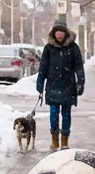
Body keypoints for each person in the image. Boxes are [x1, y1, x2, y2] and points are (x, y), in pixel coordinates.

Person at [35, 21, 85, 150]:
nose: (59, 34)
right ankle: (54, 139)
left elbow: (79, 67)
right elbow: (43, 67)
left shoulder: (73, 48)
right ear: (53, 33)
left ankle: (64, 140)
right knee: (53, 112)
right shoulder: (48, 48)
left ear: (65, 33)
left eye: (61, 31)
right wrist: (40, 84)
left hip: (68, 85)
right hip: (53, 84)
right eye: (57, 31)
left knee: (66, 113)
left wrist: (80, 82)